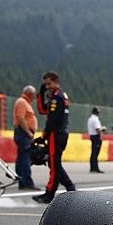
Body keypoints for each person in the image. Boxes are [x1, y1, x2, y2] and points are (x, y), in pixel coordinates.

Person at [32, 71, 75, 204]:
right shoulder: (60, 95)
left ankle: (50, 193)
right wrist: (41, 93)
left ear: (56, 81)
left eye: (49, 84)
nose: (47, 87)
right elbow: (43, 110)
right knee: (54, 163)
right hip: (59, 133)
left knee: (54, 165)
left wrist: (43, 136)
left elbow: (52, 120)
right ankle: (69, 188)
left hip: (56, 135)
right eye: (46, 85)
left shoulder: (57, 98)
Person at [13, 85, 39, 190]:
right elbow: (21, 118)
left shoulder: (24, 102)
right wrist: (28, 132)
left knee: (21, 158)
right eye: (34, 95)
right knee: (25, 158)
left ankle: (22, 181)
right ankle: (27, 182)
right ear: (30, 94)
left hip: (23, 133)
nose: (34, 97)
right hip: (23, 133)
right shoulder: (22, 102)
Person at [87, 106, 107, 173]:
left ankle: (92, 167)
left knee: (93, 153)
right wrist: (103, 128)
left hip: (92, 136)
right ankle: (95, 168)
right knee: (95, 153)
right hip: (96, 137)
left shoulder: (90, 118)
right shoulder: (95, 119)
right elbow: (98, 129)